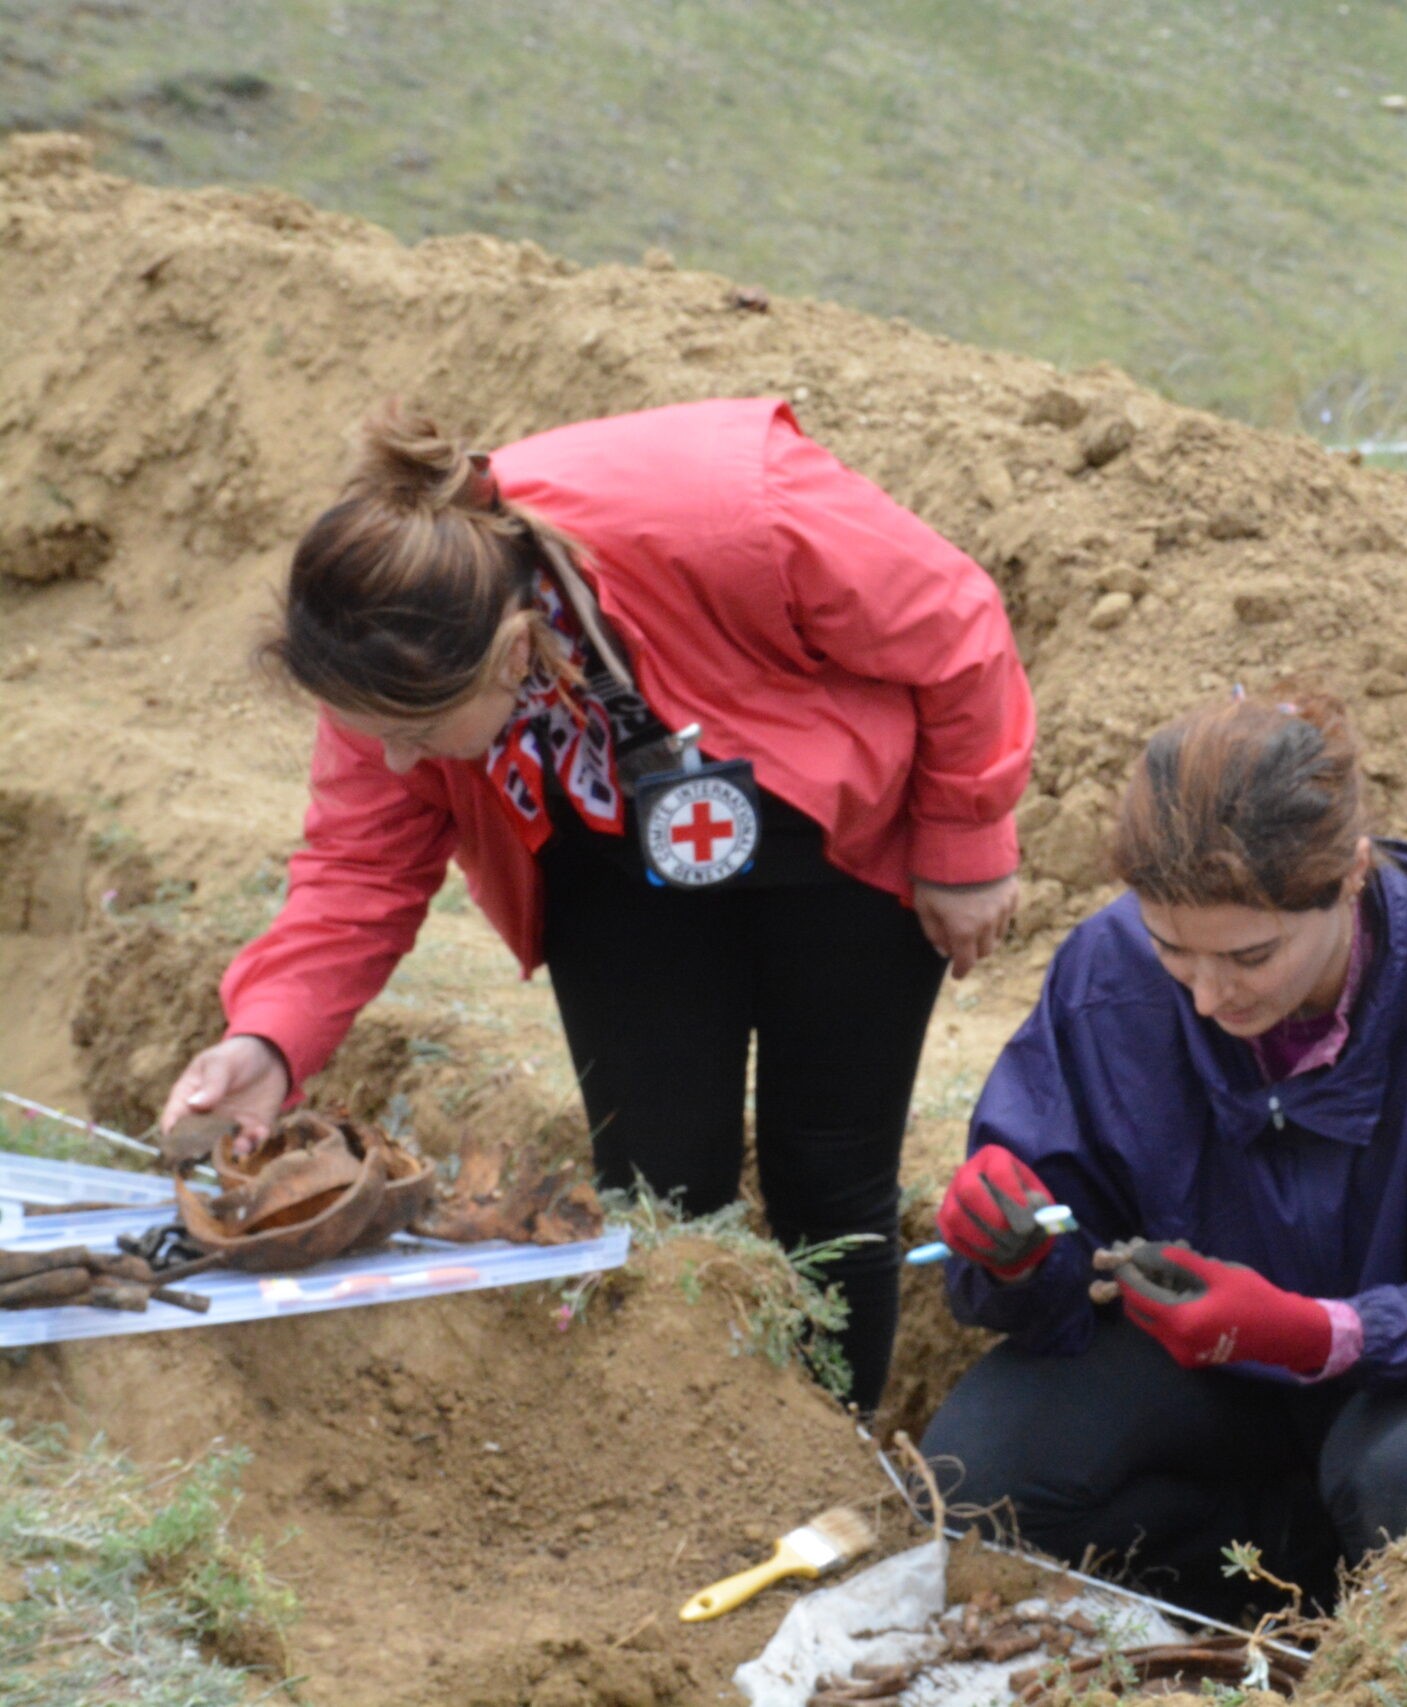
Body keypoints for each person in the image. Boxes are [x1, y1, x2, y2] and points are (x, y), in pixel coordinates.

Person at [158, 398, 1034, 1410]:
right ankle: (689, 1439)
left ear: (517, 653)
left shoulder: (726, 511)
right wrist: (267, 1040)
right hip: (609, 864)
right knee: (656, 1188)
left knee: (830, 1177)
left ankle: (837, 1447)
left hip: (834, 843)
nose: (395, 761)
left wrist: (966, 843)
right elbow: (359, 869)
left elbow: (955, 627)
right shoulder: (380, 657)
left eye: (419, 734)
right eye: (372, 736)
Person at [916, 689, 1407, 1619]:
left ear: (1351, 876)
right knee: (981, 1475)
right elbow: (1051, 1239)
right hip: (1200, 1373)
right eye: (1174, 951)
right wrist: (1011, 1253)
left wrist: (1312, 1331)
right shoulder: (1111, 969)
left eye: (1250, 956)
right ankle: (1286, 1587)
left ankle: (1401, 1630)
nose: (1207, 998)